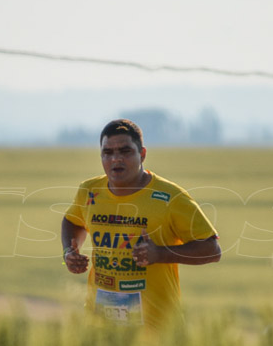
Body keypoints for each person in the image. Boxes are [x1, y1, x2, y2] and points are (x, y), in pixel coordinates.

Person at [62, 119, 221, 330]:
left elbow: (212, 250)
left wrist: (161, 254)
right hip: (100, 327)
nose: (116, 159)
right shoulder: (89, 191)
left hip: (157, 330)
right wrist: (69, 251)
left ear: (142, 154)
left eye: (125, 151)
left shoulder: (170, 197)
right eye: (107, 152)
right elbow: (73, 221)